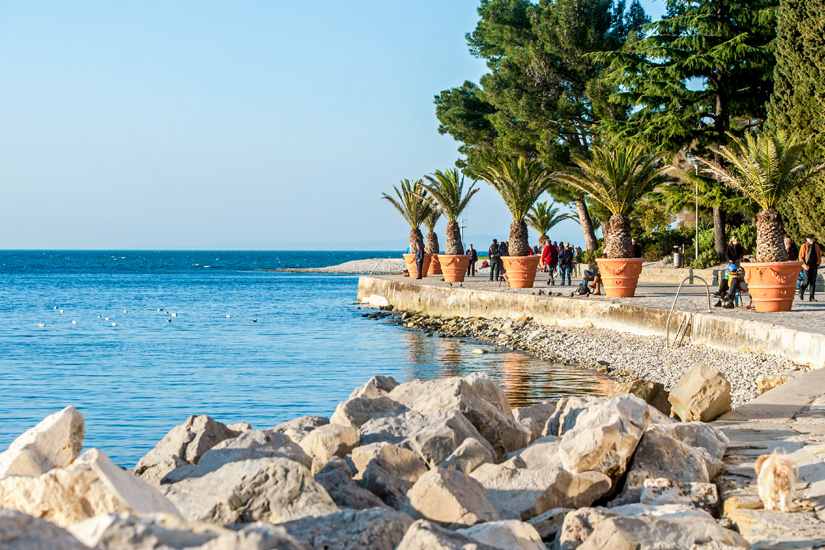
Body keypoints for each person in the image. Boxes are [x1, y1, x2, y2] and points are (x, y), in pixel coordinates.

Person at [799, 234, 822, 302]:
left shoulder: (816, 246)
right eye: (809, 239)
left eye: (812, 239)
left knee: (813, 282)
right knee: (806, 281)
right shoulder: (804, 246)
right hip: (806, 265)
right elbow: (801, 257)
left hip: (814, 265)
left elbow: (819, 256)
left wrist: (818, 263)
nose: (811, 240)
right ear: (807, 240)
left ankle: (811, 297)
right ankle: (801, 291)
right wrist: (804, 265)